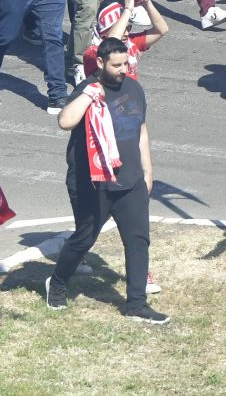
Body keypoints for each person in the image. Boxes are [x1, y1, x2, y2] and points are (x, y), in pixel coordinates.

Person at [45, 33, 165, 324]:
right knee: (84, 239)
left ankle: (136, 305)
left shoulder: (134, 89)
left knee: (138, 241)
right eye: (116, 65)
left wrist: (148, 171)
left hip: (130, 181)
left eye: (125, 64)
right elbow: (65, 121)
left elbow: (142, 130)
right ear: (100, 63)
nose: (123, 70)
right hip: (93, 184)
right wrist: (89, 93)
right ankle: (57, 283)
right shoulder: (88, 90)